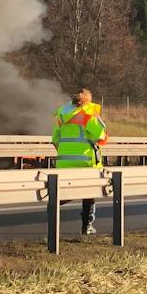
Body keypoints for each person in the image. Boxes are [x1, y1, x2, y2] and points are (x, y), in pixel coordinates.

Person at [52, 86, 108, 236]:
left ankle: (54, 208)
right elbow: (101, 136)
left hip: (64, 162)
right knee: (89, 193)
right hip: (85, 161)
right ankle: (87, 226)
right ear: (87, 99)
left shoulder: (62, 113)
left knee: (63, 192)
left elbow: (55, 139)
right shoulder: (89, 112)